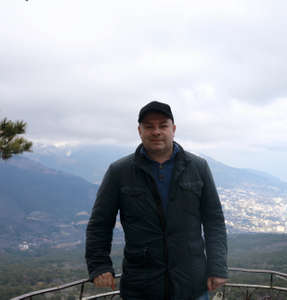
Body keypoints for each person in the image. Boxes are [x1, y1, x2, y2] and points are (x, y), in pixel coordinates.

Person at [85, 101, 228, 300]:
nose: (156, 132)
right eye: (149, 126)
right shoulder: (120, 171)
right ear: (139, 131)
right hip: (141, 286)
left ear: (173, 129)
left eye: (163, 125)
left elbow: (214, 220)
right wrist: (99, 265)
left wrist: (217, 266)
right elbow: (100, 223)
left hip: (192, 285)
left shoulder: (198, 167)